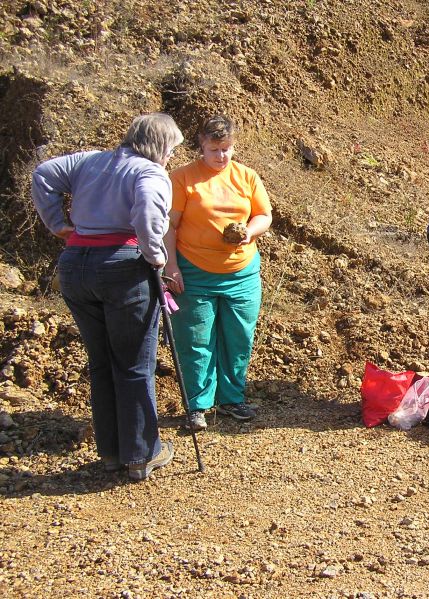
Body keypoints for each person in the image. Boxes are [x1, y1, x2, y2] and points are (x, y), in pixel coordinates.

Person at [31, 113, 184, 481]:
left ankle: (112, 454)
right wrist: (156, 257)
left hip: (75, 265)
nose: (171, 158)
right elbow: (149, 208)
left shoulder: (91, 160)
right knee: (132, 363)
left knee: (101, 362)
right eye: (172, 149)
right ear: (160, 145)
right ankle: (140, 455)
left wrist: (58, 224)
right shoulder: (149, 172)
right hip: (122, 266)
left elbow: (43, 174)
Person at [165, 115, 272, 431]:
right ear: (201, 145)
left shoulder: (246, 176)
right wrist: (170, 267)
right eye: (214, 149)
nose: (221, 156)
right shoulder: (183, 178)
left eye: (226, 149)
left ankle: (232, 399)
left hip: (241, 272)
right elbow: (169, 226)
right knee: (195, 339)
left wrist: (249, 232)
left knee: (239, 336)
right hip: (194, 271)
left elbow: (264, 215)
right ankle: (197, 405)